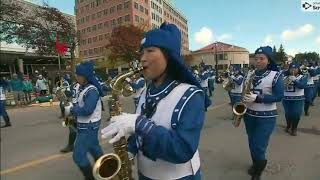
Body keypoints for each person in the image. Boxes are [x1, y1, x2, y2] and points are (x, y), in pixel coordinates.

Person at [101, 23, 211, 180]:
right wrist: (129, 151)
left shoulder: (191, 95)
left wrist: (140, 124)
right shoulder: (147, 91)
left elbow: (183, 150)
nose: (142, 58)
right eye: (142, 52)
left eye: (150, 51)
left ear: (169, 56)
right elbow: (139, 133)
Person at [243, 46, 284, 180]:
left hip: (266, 117)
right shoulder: (250, 73)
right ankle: (256, 164)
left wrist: (258, 98)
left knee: (258, 145)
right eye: (256, 58)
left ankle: (258, 170)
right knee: (251, 143)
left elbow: (279, 96)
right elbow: (245, 91)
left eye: (262, 58)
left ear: (269, 60)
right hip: (249, 115)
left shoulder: (276, 75)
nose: (258, 61)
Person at [64, 61, 104, 180]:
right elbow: (79, 102)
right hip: (84, 125)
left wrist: (72, 110)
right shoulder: (82, 87)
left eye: (78, 75)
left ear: (85, 76)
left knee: (78, 156)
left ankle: (90, 178)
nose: (76, 76)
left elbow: (87, 110)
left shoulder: (91, 90)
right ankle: (105, 171)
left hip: (88, 126)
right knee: (95, 149)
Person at [282, 62, 307, 136]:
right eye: (291, 68)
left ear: (298, 69)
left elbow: (302, 86)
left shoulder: (303, 76)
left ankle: (294, 128)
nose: (293, 70)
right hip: (286, 99)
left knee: (296, 114)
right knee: (288, 114)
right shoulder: (284, 76)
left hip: (298, 99)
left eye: (295, 68)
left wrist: (295, 80)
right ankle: (288, 126)